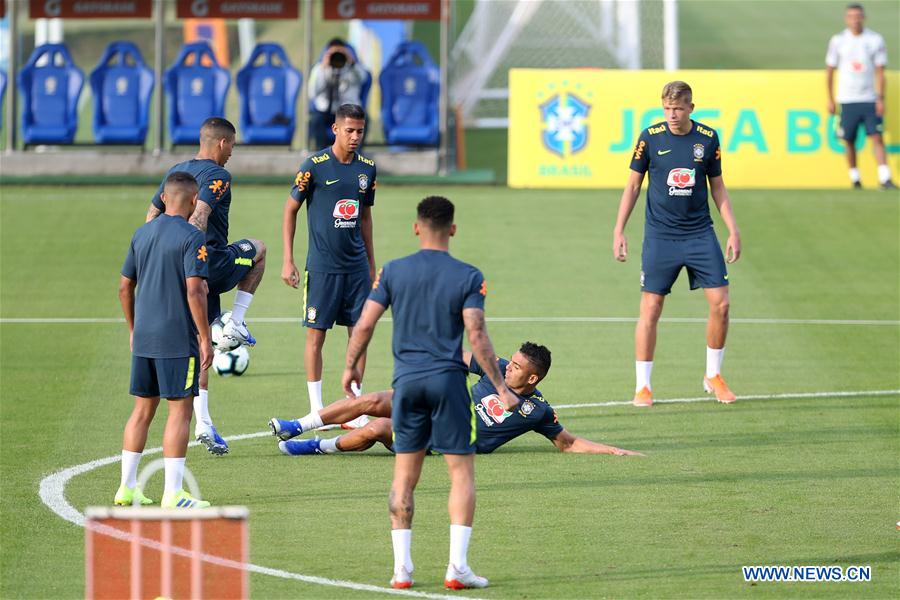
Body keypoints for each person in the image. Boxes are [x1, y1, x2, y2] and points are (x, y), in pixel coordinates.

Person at [340, 196, 517, 590]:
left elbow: (365, 323)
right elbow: (477, 334)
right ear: (452, 229)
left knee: (404, 478)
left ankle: (402, 570)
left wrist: (352, 363)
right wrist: (501, 387)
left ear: (416, 227)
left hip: (406, 384)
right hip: (448, 383)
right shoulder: (469, 276)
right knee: (461, 474)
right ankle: (457, 567)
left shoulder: (393, 271)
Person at [270, 342, 644, 458]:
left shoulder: (536, 410)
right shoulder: (494, 369)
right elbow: (460, 355)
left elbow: (568, 442)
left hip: (444, 440)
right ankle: (298, 424)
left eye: (515, 367)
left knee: (378, 428)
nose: (507, 368)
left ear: (532, 378)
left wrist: (613, 450)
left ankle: (316, 447)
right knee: (375, 399)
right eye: (509, 362)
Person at [612, 81, 742, 408]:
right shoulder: (650, 138)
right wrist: (619, 230)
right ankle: (643, 386)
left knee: (722, 304)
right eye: (667, 108)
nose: (672, 114)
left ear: (691, 109)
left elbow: (718, 187)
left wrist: (733, 230)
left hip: (700, 234)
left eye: (678, 108)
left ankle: (713, 375)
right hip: (660, 237)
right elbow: (632, 186)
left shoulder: (708, 139)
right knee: (651, 309)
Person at [146, 117, 267, 456]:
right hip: (206, 263)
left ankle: (204, 424)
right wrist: (192, 259)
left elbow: (150, 218)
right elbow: (199, 218)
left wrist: (159, 257)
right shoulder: (218, 175)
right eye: (232, 146)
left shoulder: (177, 171)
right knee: (258, 250)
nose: (232, 154)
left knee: (200, 343)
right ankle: (237, 321)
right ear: (222, 144)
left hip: (177, 270)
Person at [116, 172, 213, 509]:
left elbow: (124, 287)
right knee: (180, 412)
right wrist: (205, 337)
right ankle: (173, 493)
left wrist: (132, 329)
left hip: (144, 336)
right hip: (176, 338)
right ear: (191, 199)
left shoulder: (142, 233)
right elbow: (194, 290)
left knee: (142, 411)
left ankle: (126, 488)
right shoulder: (192, 236)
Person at [282, 104, 375, 425]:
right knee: (315, 337)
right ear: (335, 129)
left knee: (359, 335)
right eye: (349, 130)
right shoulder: (315, 166)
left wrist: (372, 265)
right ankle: (316, 408)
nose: (355, 137)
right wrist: (288, 259)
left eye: (360, 131)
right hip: (322, 268)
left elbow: (365, 217)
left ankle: (353, 407)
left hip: (357, 269)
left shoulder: (367, 169)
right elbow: (290, 209)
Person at [826, 3, 897, 190]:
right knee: (848, 139)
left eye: (858, 16)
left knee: (876, 136)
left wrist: (880, 97)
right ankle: (855, 178)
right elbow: (830, 70)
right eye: (851, 16)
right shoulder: (838, 40)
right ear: (846, 19)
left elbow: (880, 71)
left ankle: (884, 177)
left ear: (864, 18)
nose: (855, 20)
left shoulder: (874, 40)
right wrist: (830, 98)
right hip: (847, 98)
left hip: (869, 97)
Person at [307, 38, 370, 150]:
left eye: (340, 52)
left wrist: (351, 62)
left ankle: (355, 156)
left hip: (348, 112)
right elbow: (312, 92)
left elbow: (364, 78)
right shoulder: (318, 69)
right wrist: (324, 68)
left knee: (362, 118)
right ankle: (321, 156)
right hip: (325, 111)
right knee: (316, 119)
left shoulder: (354, 68)